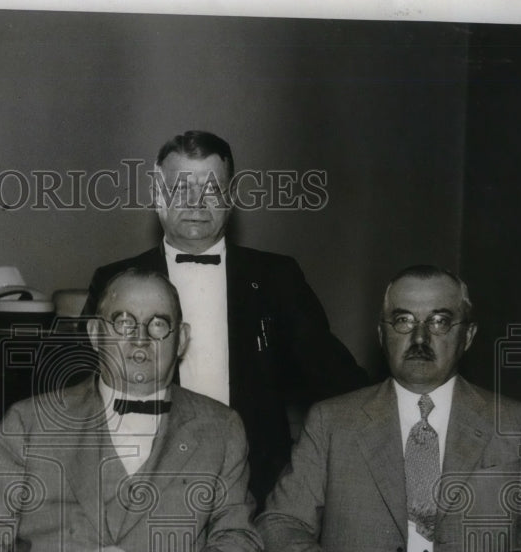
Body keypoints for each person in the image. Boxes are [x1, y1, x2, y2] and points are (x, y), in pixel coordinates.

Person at [85, 130, 368, 504]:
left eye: (212, 189)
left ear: (231, 199)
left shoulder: (275, 278)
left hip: (256, 490)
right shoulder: (115, 280)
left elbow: (338, 382)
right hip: (143, 489)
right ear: (157, 195)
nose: (197, 203)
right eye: (182, 189)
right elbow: (79, 394)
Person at [0, 269, 262, 552]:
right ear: (96, 333)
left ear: (180, 340)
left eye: (158, 323)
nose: (141, 339)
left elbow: (235, 538)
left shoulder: (220, 429)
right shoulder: (29, 423)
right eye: (124, 322)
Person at [256, 265, 521, 552]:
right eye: (403, 321)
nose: (419, 339)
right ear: (382, 334)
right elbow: (279, 525)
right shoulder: (332, 422)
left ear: (468, 336)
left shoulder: (515, 424)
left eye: (439, 322)